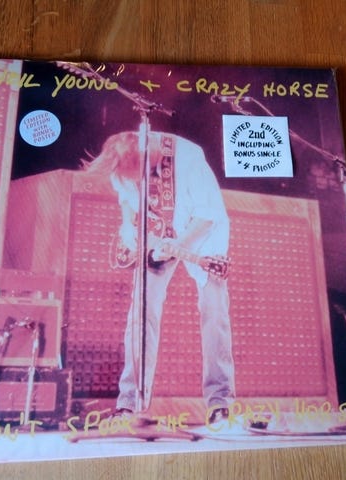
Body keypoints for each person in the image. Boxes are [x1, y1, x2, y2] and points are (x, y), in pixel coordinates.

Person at [86, 131, 235, 424]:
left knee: (214, 312)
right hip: (156, 237)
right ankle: (129, 404)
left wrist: (178, 245)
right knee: (140, 315)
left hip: (203, 235)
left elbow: (206, 216)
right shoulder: (123, 157)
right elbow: (126, 200)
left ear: (149, 158)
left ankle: (219, 404)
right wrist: (128, 228)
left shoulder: (189, 157)